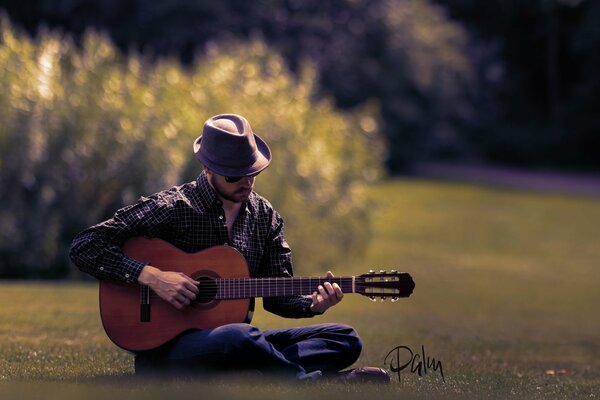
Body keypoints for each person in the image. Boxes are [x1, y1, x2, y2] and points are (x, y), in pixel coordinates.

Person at [70, 113, 390, 382]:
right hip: (168, 348)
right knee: (240, 337)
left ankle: (253, 369)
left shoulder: (265, 217)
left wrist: (314, 305)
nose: (246, 182)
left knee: (344, 338)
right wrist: (153, 277)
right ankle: (307, 382)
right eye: (234, 175)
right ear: (208, 169)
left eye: (251, 172)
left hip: (227, 341)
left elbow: (279, 300)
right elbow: (85, 245)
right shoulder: (174, 207)